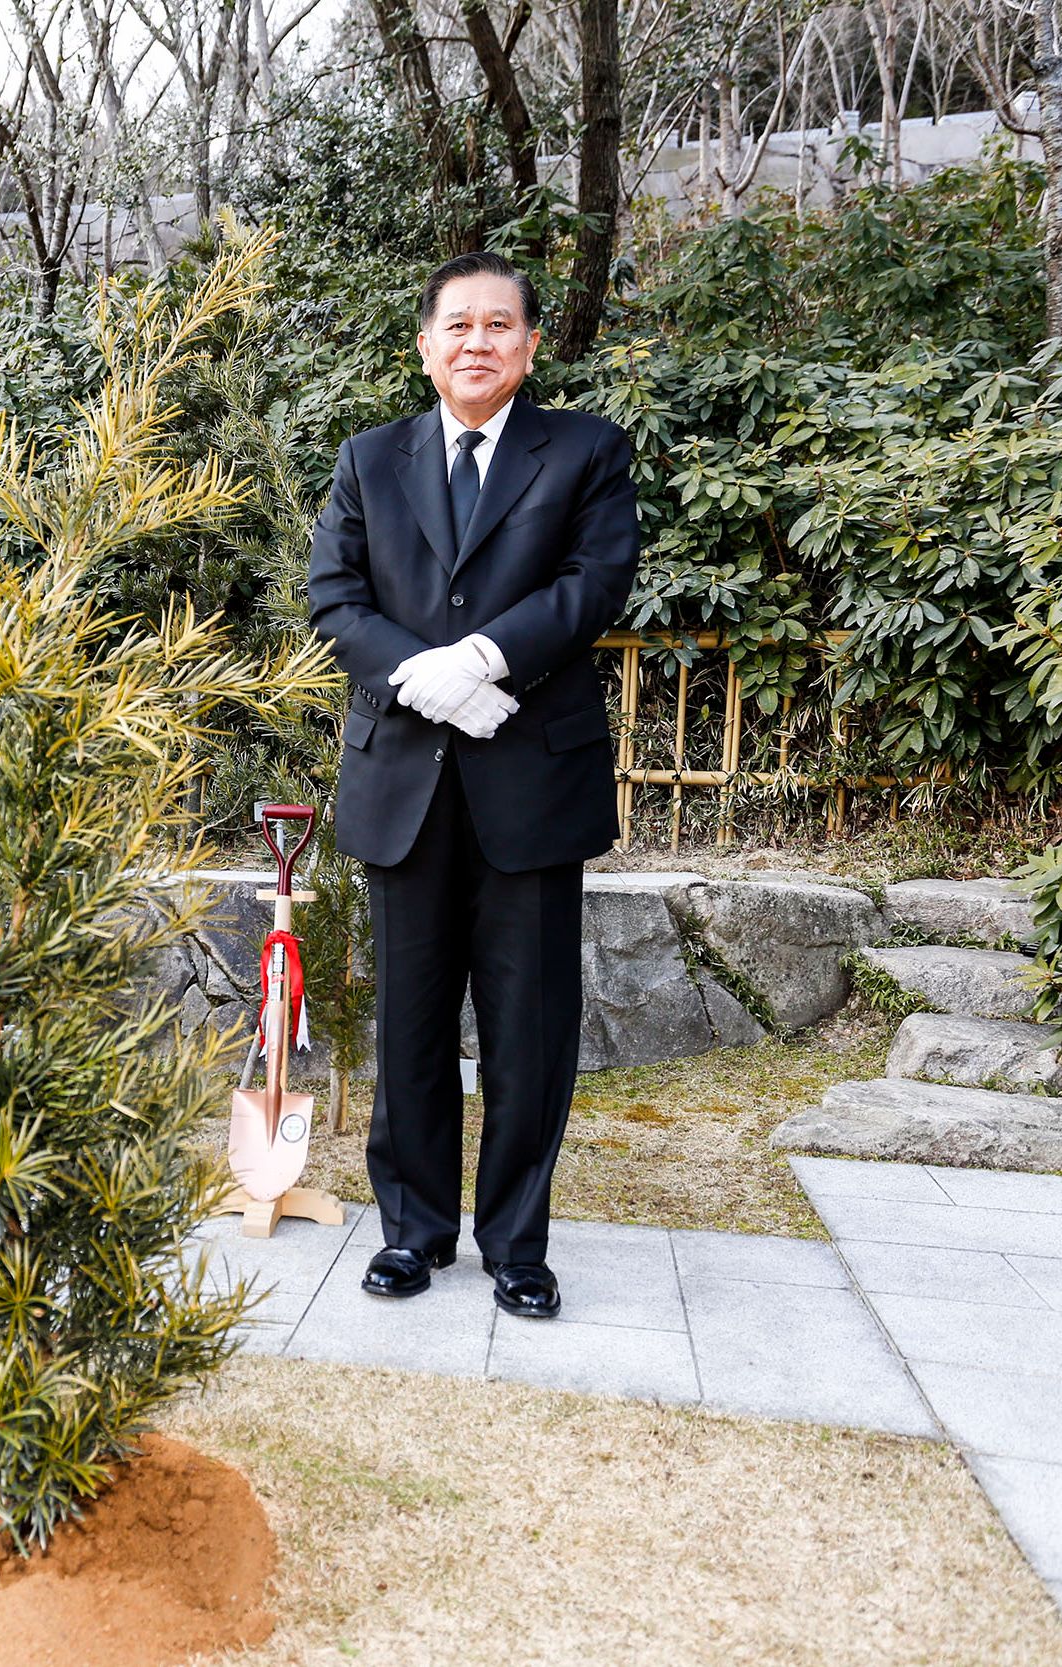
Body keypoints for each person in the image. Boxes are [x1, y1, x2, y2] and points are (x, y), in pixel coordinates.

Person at [308, 252, 639, 1318]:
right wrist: (431, 678)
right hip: (403, 782)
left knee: (527, 1030)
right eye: (458, 324)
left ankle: (517, 1246)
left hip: (531, 782)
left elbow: (595, 582)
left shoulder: (585, 450)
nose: (477, 341)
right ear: (425, 346)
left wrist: (485, 659)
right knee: (407, 1024)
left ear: (529, 346)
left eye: (499, 324)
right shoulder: (369, 458)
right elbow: (334, 597)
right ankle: (412, 1232)